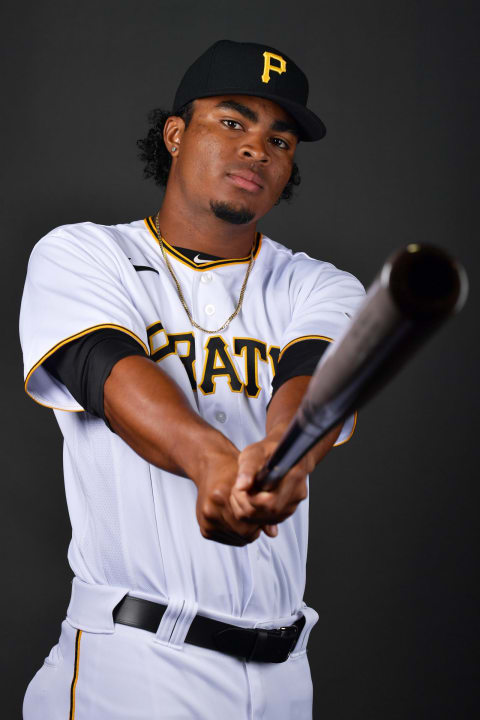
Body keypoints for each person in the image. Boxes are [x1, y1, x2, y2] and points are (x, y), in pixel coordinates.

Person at [20, 40, 365, 720]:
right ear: (175, 134)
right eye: (232, 122)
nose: (256, 149)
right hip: (132, 667)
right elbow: (112, 378)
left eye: (280, 139)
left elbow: (315, 386)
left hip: (286, 677)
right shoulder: (87, 254)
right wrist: (213, 465)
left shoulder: (318, 284)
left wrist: (287, 459)